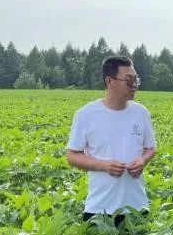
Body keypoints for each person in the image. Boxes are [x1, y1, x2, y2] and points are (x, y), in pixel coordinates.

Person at [66, 55, 156, 224]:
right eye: (128, 80)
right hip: (99, 209)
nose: (134, 85)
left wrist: (142, 160)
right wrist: (104, 165)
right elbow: (72, 156)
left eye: (136, 80)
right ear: (109, 81)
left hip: (136, 208)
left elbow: (150, 148)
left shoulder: (141, 113)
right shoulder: (86, 115)